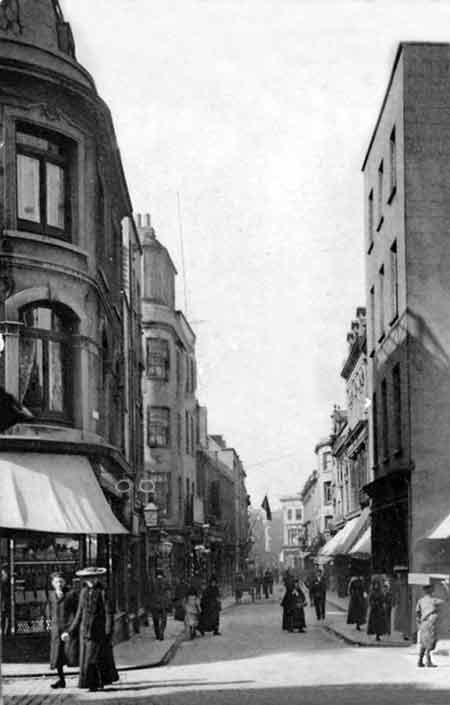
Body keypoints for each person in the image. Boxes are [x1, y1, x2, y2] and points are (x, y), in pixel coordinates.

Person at [65, 566, 118, 692]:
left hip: (98, 631)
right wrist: (70, 630)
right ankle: (95, 682)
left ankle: (93, 683)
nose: (90, 580)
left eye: (93, 578)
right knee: (87, 658)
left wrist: (108, 631)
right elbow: (79, 613)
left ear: (97, 578)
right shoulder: (83, 592)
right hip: (84, 631)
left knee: (92, 658)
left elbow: (109, 613)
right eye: (87, 578)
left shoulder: (103, 591)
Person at [48, 572, 79, 690]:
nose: (59, 584)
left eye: (61, 581)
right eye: (56, 582)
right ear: (52, 583)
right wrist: (49, 623)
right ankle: (61, 680)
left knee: (73, 654)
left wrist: (71, 629)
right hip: (56, 629)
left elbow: (76, 612)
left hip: (68, 628)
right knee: (57, 656)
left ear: (65, 582)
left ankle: (86, 678)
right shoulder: (51, 595)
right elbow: (49, 609)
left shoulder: (71, 594)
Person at [415, 580, 449, 668]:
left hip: (423, 623)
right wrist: (446, 587)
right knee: (430, 642)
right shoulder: (434, 600)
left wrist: (419, 624)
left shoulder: (421, 600)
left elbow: (417, 613)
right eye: (432, 588)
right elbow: (447, 599)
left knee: (423, 642)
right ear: (430, 590)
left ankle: (420, 661)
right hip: (431, 623)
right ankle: (428, 661)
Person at [149, 571, 170, 641]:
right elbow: (169, 590)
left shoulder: (152, 582)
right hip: (163, 604)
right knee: (164, 619)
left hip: (154, 603)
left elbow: (149, 592)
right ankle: (161, 631)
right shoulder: (165, 581)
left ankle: (157, 634)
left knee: (155, 620)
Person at [392, 567, 410, 640]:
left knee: (405, 617)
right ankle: (404, 633)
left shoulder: (405, 583)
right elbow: (396, 593)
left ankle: (405, 633)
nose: (398, 575)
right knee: (404, 617)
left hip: (405, 602)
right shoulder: (399, 583)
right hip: (402, 603)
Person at [1, 565, 10, 637]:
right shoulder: (4, 584)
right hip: (4, 603)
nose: (4, 576)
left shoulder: (6, 584)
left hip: (5, 603)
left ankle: (5, 632)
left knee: (5, 617)